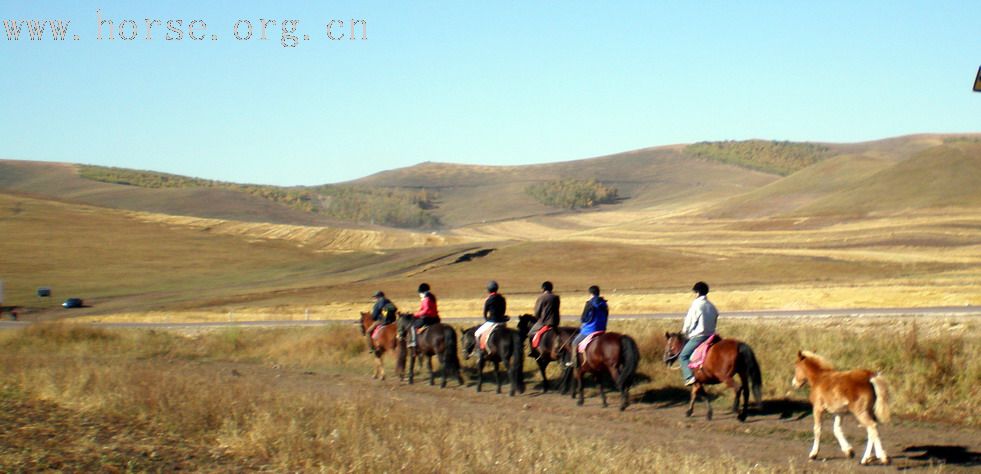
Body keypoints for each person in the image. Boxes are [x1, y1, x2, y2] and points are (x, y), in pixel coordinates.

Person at [679, 281, 719, 386]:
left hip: (699, 337)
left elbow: (689, 321)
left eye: (695, 292)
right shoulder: (712, 306)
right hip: (711, 336)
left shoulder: (696, 305)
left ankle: (689, 377)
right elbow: (715, 319)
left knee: (683, 356)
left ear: (697, 292)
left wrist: (684, 332)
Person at [566, 285, 608, 367]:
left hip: (589, 330)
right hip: (602, 329)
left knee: (574, 342)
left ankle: (574, 362)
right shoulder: (604, 303)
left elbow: (583, 318)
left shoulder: (589, 303)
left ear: (591, 293)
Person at [473, 280, 507, 358]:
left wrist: (487, 319)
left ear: (488, 290)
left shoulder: (488, 299)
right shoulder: (502, 298)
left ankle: (479, 351)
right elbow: (504, 310)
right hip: (502, 322)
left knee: (477, 333)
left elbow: (485, 313)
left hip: (492, 322)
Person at [528, 281, 560, 358]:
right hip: (555, 322)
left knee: (530, 333)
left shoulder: (541, 297)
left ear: (543, 288)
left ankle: (532, 351)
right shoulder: (556, 297)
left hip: (544, 322)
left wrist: (537, 317)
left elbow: (537, 312)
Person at [410, 283, 440, 348]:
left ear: (422, 292)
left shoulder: (426, 299)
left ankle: (414, 341)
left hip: (428, 318)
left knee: (413, 326)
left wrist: (415, 314)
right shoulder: (432, 296)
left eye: (420, 293)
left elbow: (426, 310)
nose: (419, 295)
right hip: (436, 318)